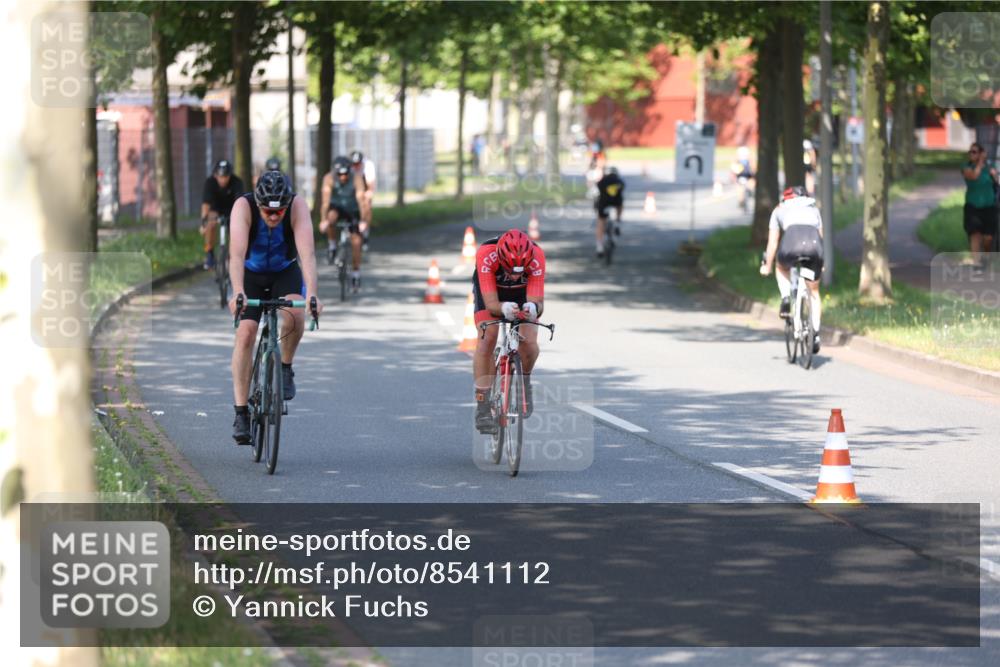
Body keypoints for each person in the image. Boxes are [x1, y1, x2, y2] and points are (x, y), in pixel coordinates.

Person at [228, 171, 322, 443]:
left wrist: (313, 294)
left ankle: (285, 367)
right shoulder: (242, 207)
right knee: (245, 334)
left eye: (279, 211)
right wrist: (237, 292)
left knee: (295, 313)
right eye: (267, 212)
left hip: (284, 270)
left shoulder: (298, 206)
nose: (273, 217)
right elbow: (235, 254)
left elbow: (307, 254)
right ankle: (241, 412)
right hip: (250, 273)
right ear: (257, 203)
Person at [472, 229, 546, 434]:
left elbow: (538, 302)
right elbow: (491, 304)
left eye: (518, 271)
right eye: (510, 269)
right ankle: (483, 404)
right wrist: (503, 308)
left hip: (523, 293)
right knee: (488, 338)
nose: (514, 275)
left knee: (529, 343)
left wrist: (533, 308)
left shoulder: (537, 256)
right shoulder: (486, 254)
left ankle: (524, 382)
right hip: (492, 292)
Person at [759, 186, 824, 354]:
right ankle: (815, 333)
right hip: (813, 249)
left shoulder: (779, 209)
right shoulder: (814, 210)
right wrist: (821, 262)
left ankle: (786, 297)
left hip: (790, 247)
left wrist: (767, 265)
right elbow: (820, 237)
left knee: (781, 268)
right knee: (814, 291)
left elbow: (773, 243)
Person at [320, 156, 366, 290]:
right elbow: (325, 202)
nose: (343, 177)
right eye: (340, 174)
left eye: (346, 174)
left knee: (356, 242)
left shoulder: (357, 178)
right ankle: (332, 244)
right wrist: (323, 220)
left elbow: (361, 200)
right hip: (337, 208)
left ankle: (356, 273)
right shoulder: (328, 178)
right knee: (331, 217)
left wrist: (362, 221)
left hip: (353, 209)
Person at [201, 159, 245, 270]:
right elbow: (206, 205)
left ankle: (233, 255)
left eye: (226, 176)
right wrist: (203, 223)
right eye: (220, 176)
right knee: (210, 221)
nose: (223, 179)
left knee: (236, 230)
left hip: (232, 209)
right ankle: (209, 252)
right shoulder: (210, 183)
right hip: (216, 209)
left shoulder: (237, 182)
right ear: (215, 175)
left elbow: (240, 203)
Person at [960, 142, 998, 269]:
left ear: (981, 153)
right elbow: (973, 176)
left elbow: (997, 182)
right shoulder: (967, 167)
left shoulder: (990, 168)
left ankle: (985, 259)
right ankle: (976, 264)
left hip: (988, 207)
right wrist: (981, 164)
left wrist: (994, 175)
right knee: (975, 234)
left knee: (988, 238)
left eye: (975, 152)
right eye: (971, 152)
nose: (972, 154)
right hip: (973, 206)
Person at [594, 166, 625, 256]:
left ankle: (599, 246)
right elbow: (623, 188)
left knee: (601, 222)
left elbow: (596, 192)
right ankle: (617, 222)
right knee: (620, 205)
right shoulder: (619, 181)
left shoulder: (601, 181)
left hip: (604, 204)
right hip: (616, 203)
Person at [349, 150, 376, 251]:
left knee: (367, 202)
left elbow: (370, 185)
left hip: (364, 189)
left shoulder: (368, 166)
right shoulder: (348, 167)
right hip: (351, 190)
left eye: (358, 164)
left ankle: (365, 232)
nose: (356, 166)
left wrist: (367, 194)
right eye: (354, 164)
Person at [730, 146, 754, 212]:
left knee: (744, 187)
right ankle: (742, 200)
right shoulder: (740, 161)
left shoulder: (741, 160)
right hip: (743, 175)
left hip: (746, 175)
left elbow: (733, 168)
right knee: (741, 188)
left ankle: (745, 197)